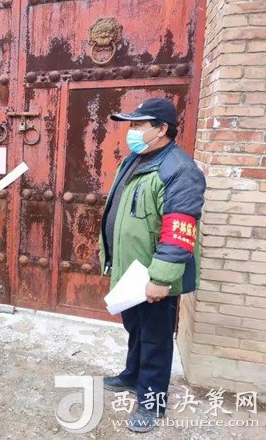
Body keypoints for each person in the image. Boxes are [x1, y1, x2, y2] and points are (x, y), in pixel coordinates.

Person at [99, 98, 206, 432]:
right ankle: (133, 375)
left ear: (161, 129)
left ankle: (152, 402)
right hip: (131, 272)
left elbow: (179, 232)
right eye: (131, 124)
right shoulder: (136, 159)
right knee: (136, 328)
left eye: (138, 125)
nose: (131, 131)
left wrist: (160, 279)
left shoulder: (180, 171)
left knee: (156, 339)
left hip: (153, 275)